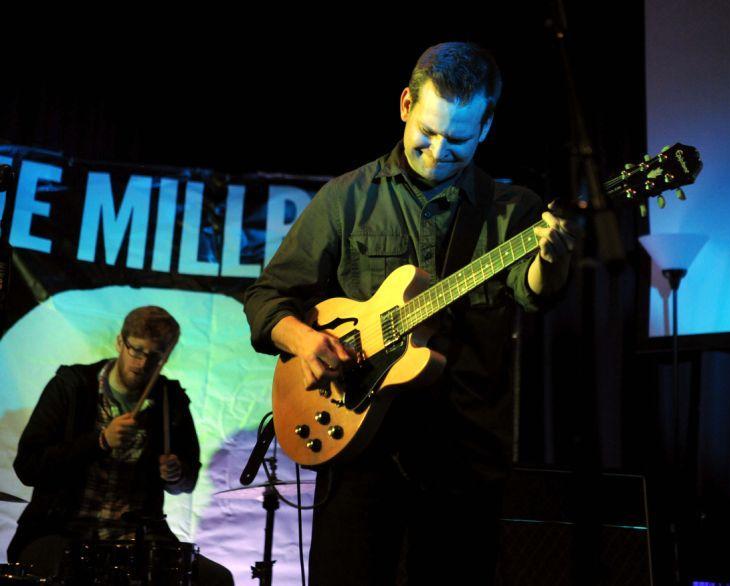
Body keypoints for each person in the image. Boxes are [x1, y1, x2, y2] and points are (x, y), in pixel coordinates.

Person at [244, 42, 578, 585]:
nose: (439, 149)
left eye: (459, 138)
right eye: (429, 130)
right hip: (359, 449)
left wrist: (549, 258)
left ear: (487, 127)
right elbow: (267, 298)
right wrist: (305, 341)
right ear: (405, 104)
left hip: (464, 455)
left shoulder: (512, 207)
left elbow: (534, 292)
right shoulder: (346, 198)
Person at [8, 305, 233, 585]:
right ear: (120, 342)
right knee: (61, 569)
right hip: (62, 528)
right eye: (136, 350)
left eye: (154, 356)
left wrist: (176, 474)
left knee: (217, 580)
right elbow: (28, 467)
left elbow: (185, 483)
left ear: (165, 357)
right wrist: (100, 441)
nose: (142, 364)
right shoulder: (71, 386)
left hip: (137, 535)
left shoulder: (169, 399)